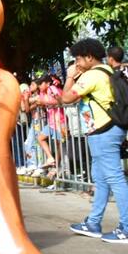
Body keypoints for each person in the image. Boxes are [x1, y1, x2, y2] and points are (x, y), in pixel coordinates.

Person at [52, 38, 128, 243]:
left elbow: (66, 98)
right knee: (101, 179)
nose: (76, 63)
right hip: (107, 130)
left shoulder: (93, 75)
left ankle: (127, 227)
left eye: (78, 58)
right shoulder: (108, 71)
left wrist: (69, 77)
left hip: (104, 131)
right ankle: (93, 223)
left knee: (114, 178)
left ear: (89, 57)